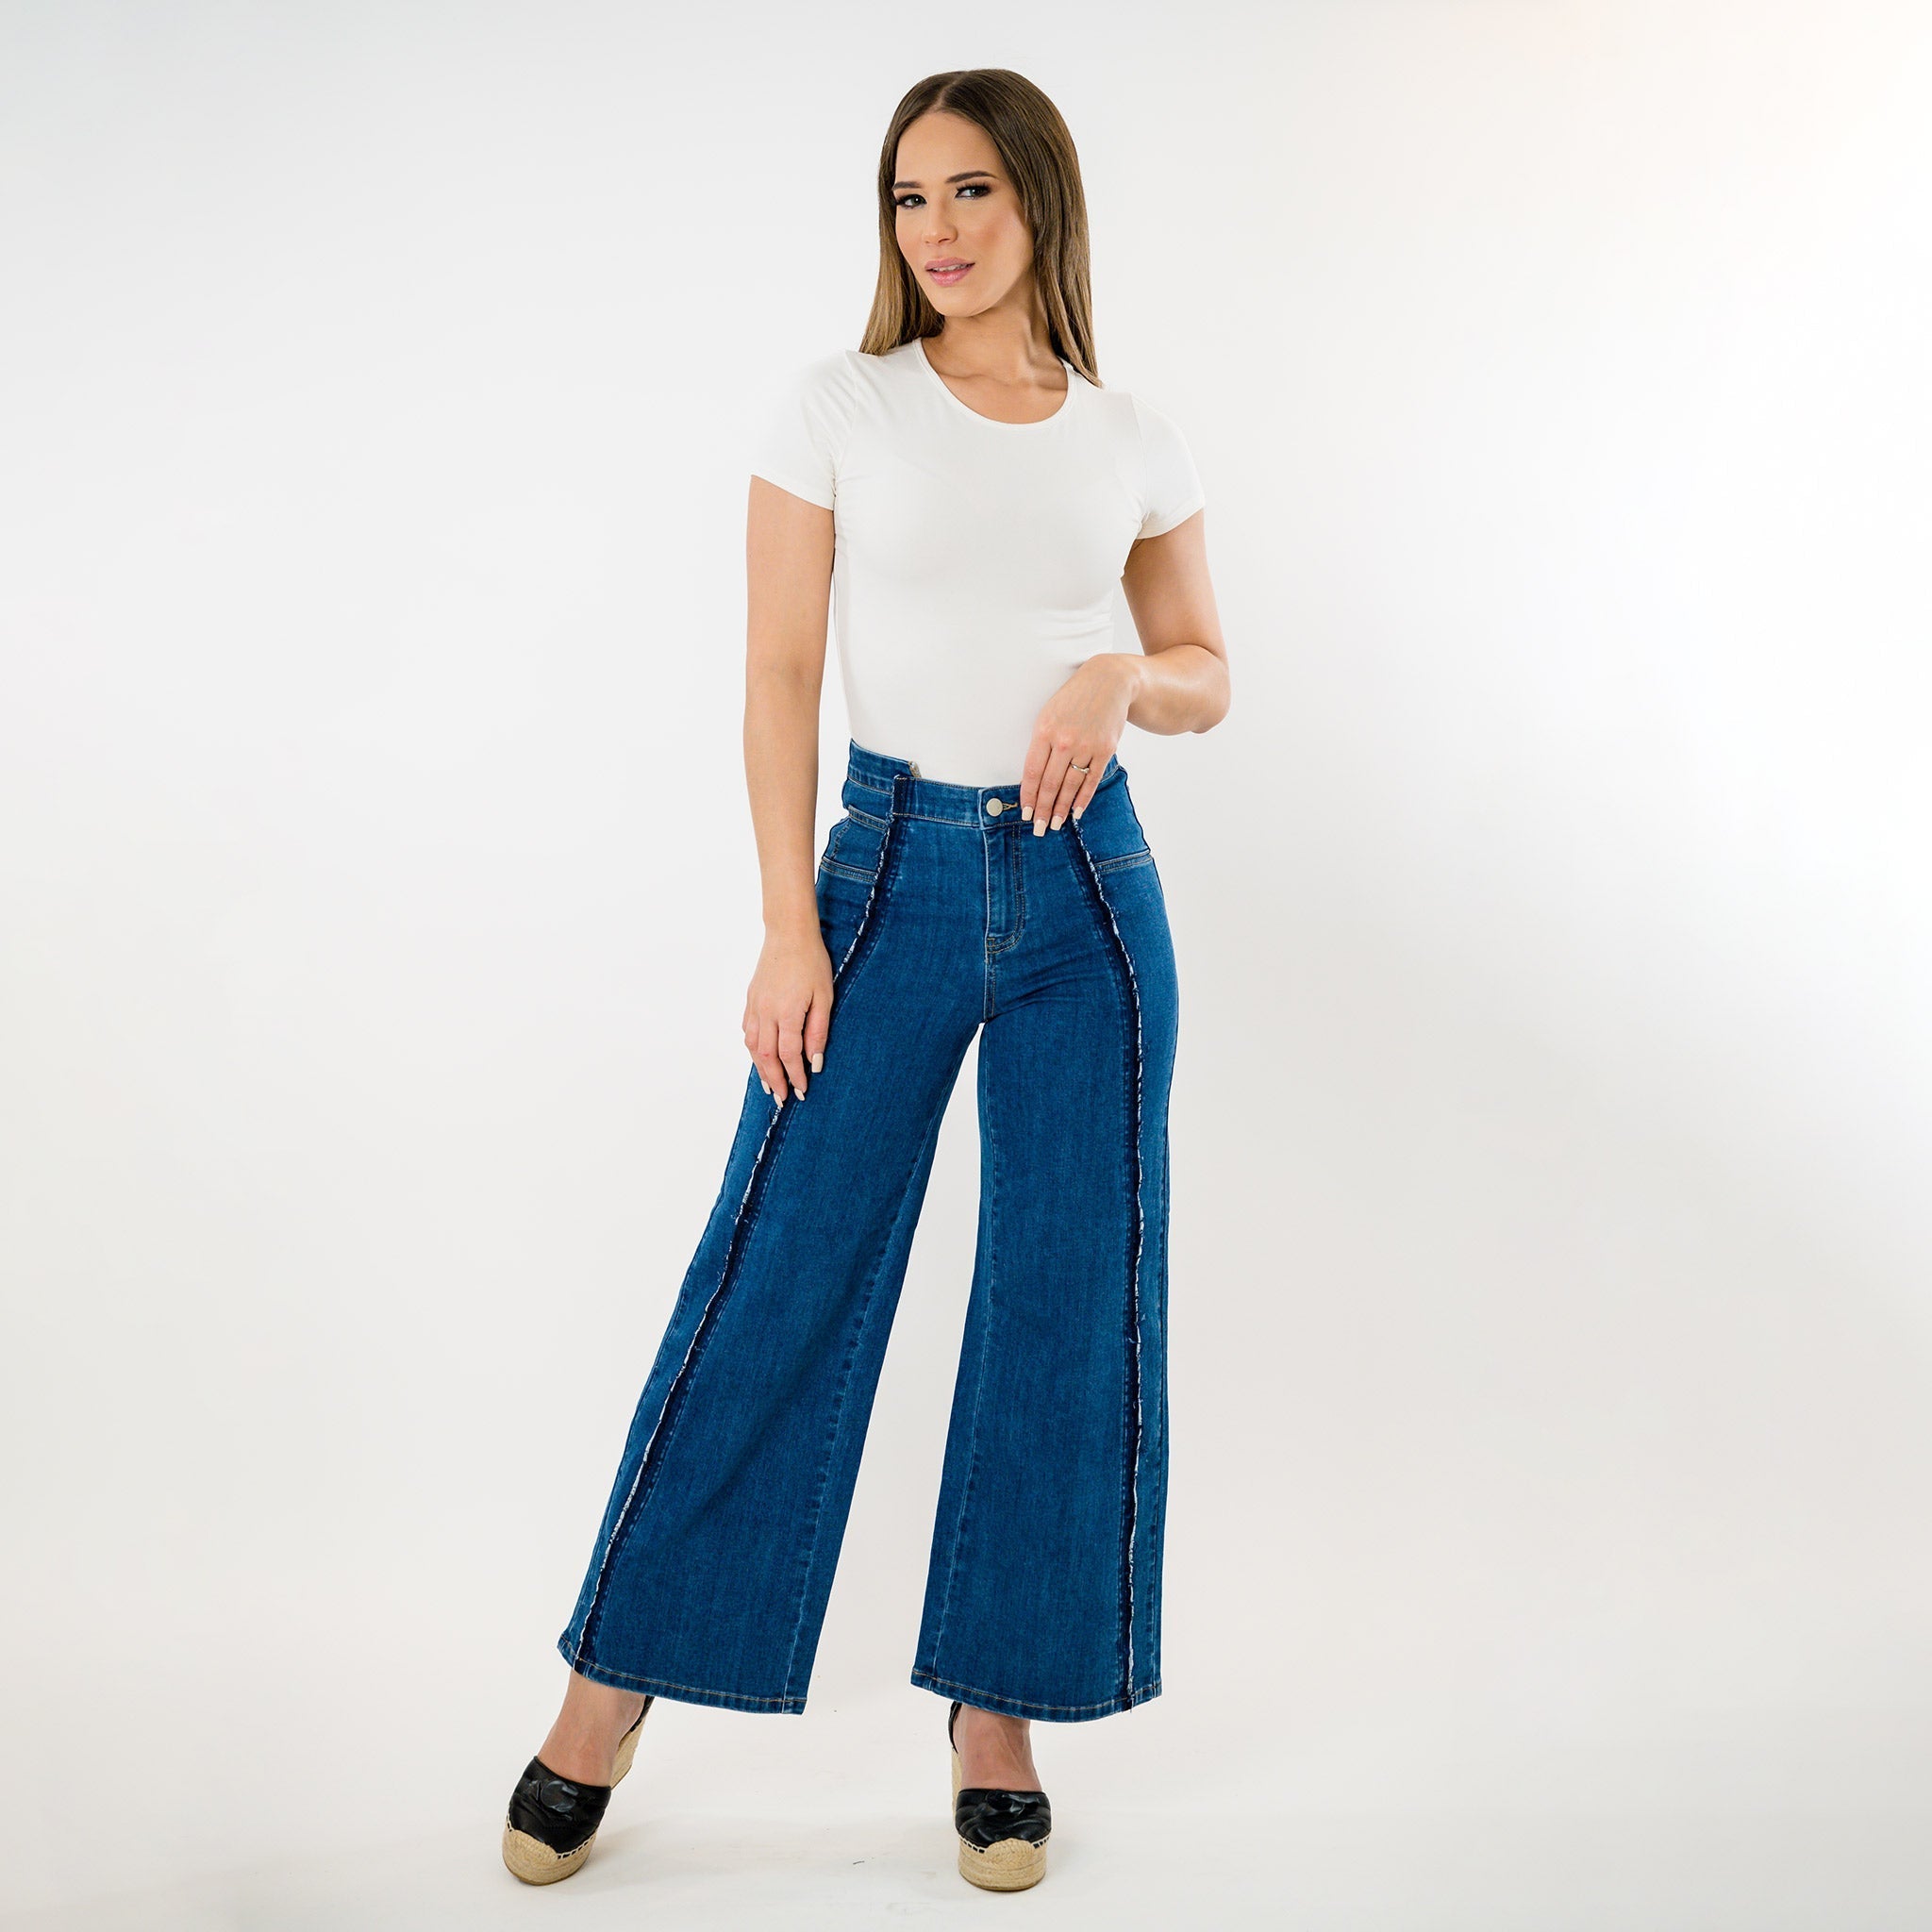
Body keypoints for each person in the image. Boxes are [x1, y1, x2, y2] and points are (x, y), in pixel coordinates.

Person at [501, 65, 1228, 1895]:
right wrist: (781, 918)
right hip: (886, 872)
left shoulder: (1127, 431)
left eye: (973, 191)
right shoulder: (837, 405)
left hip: (1090, 892)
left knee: (1069, 1301)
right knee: (777, 1271)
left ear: (1041, 204)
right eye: (909, 200)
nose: (941, 230)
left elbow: (1205, 661)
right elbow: (774, 675)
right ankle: (608, 1687)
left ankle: (1000, 1716)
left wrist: (1113, 682)